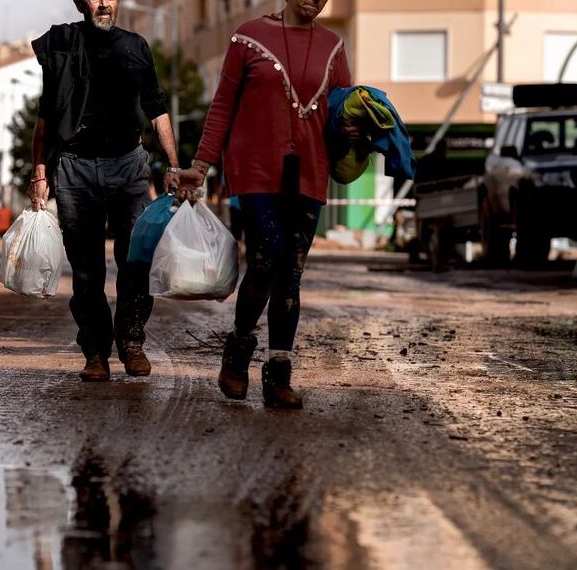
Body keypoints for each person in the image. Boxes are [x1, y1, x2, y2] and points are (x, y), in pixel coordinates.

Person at [179, 0, 358, 409]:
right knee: (266, 260)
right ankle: (238, 351)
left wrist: (351, 128)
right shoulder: (249, 36)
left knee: (291, 273)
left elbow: (341, 111)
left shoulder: (334, 46)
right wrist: (201, 165)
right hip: (256, 169)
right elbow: (222, 104)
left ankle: (279, 374)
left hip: (310, 171)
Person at [31, 0, 181, 382]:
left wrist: (174, 165)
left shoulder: (135, 46)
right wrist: (40, 171)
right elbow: (46, 115)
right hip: (75, 167)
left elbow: (157, 109)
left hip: (128, 164)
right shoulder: (62, 45)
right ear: (80, 3)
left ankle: (131, 342)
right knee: (86, 269)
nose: (103, 3)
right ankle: (95, 352)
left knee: (136, 259)